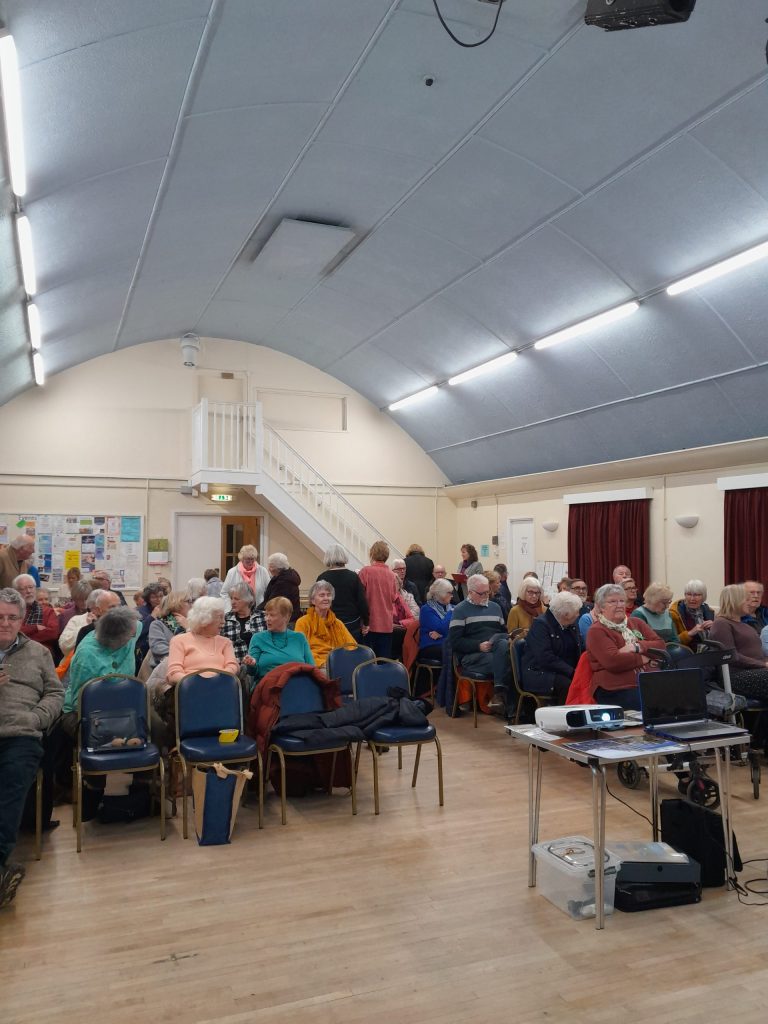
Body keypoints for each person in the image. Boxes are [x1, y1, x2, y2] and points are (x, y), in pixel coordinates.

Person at [0, 587, 64, 909]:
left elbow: (56, 693)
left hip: (21, 734)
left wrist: (37, 718)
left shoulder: (38, 652)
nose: (5, 623)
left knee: (11, 783)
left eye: (12, 617)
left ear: (21, 620)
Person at [61, 607, 142, 735]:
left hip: (124, 708)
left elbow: (138, 624)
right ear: (116, 638)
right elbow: (79, 702)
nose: (134, 636)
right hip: (87, 713)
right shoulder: (86, 655)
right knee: (113, 735)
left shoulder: (133, 629)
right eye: (131, 635)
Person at [585, 583, 663, 711]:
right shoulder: (597, 630)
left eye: (622, 600)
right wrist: (645, 659)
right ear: (601, 607)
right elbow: (613, 661)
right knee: (650, 705)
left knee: (678, 696)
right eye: (613, 601)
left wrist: (636, 647)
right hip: (615, 687)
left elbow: (660, 645)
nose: (619, 605)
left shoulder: (636, 623)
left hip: (648, 680)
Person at [449, 574, 509, 710]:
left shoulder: (495, 607)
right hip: (472, 656)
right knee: (509, 664)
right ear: (470, 592)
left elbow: (503, 632)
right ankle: (505, 703)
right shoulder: (460, 610)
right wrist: (478, 646)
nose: (486, 596)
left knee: (507, 651)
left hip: (495, 651)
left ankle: (501, 697)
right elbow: (455, 642)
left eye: (487, 592)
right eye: (481, 594)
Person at [520, 592, 584, 704]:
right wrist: (572, 672)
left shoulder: (571, 624)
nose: (579, 614)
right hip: (540, 672)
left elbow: (580, 648)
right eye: (577, 611)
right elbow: (545, 658)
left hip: (564, 670)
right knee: (568, 685)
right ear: (566, 614)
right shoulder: (541, 625)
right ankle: (566, 718)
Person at [709, 585, 768, 703]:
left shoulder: (745, 625)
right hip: (735, 676)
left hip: (756, 671)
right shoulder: (721, 623)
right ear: (734, 600)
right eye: (746, 599)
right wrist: (763, 664)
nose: (750, 602)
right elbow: (731, 656)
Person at [166, 597, 238, 684]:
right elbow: (173, 673)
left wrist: (219, 680)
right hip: (191, 690)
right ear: (205, 619)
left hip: (221, 687)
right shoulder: (179, 640)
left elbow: (233, 666)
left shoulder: (226, 642)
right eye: (220, 617)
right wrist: (196, 683)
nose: (224, 622)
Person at [245, 596, 314, 683]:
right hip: (268, 685)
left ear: (286, 617)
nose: (267, 619)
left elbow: (311, 668)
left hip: (296, 685)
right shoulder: (258, 638)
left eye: (272, 615)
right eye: (266, 615)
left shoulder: (299, 638)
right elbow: (252, 673)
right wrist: (252, 664)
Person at [295, 582, 355, 669]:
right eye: (322, 595)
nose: (326, 598)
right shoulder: (303, 622)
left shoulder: (337, 623)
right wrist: (322, 663)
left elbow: (352, 645)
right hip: (316, 665)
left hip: (339, 663)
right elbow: (300, 649)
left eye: (329, 595)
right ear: (312, 600)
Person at [316, 544, 369, 642]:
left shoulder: (322, 578)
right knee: (352, 654)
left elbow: (317, 604)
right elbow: (362, 602)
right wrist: (366, 622)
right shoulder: (353, 577)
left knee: (331, 655)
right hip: (352, 624)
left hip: (329, 624)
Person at [358, 541, 399, 658]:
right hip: (386, 624)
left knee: (367, 661)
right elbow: (393, 597)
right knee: (384, 661)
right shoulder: (392, 575)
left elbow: (360, 598)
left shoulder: (366, 571)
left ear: (372, 553)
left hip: (369, 624)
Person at [13, 574, 60, 657]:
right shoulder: (12, 611)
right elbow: (13, 632)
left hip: (42, 655)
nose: (28, 591)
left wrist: (24, 635)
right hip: (15, 653)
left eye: (31, 587)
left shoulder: (48, 611)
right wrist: (35, 628)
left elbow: (53, 633)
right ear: (16, 592)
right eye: (24, 588)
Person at [220, 582, 267, 663]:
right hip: (234, 666)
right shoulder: (225, 619)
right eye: (231, 598)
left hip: (259, 664)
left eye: (237, 599)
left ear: (248, 600)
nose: (232, 602)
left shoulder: (263, 617)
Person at [148, 591, 190, 666]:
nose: (192, 605)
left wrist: (188, 628)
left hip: (191, 666)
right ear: (176, 604)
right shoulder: (158, 624)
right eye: (188, 601)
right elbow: (159, 650)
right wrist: (189, 656)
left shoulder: (193, 623)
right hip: (167, 668)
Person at [670, 580, 715, 649]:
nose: (692, 599)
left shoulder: (709, 610)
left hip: (708, 651)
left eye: (697, 595)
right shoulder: (674, 613)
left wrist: (715, 626)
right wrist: (690, 633)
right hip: (687, 654)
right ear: (685, 595)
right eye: (689, 594)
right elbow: (671, 643)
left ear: (703, 596)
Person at [258, 553, 301, 622]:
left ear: (278, 568)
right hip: (286, 617)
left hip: (285, 620)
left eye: (271, 566)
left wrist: (256, 611)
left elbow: (273, 602)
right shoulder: (283, 577)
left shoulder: (284, 582)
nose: (269, 569)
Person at [418, 579, 453, 660]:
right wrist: (451, 613)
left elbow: (460, 628)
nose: (452, 596)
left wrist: (442, 635)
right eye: (450, 593)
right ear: (441, 594)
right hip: (430, 644)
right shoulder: (426, 609)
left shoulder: (452, 608)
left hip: (444, 641)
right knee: (452, 651)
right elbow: (440, 628)